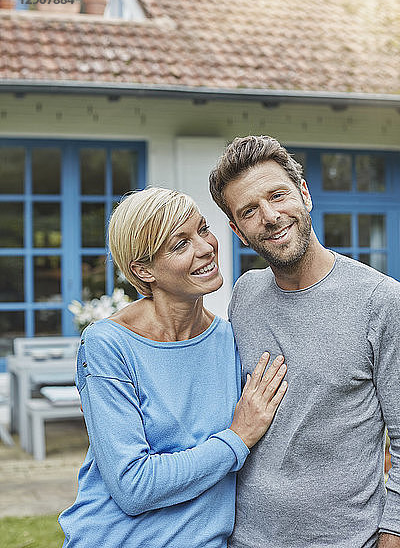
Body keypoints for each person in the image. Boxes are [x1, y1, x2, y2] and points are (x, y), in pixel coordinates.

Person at [59, 187, 287, 548]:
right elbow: (133, 485)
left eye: (202, 229)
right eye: (180, 244)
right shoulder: (108, 344)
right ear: (143, 269)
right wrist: (237, 437)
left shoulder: (230, 339)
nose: (206, 247)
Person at [209, 135, 400, 548]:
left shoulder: (380, 300)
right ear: (238, 231)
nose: (271, 216)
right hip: (244, 539)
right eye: (249, 210)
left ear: (305, 194)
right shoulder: (245, 295)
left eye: (277, 195)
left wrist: (392, 536)